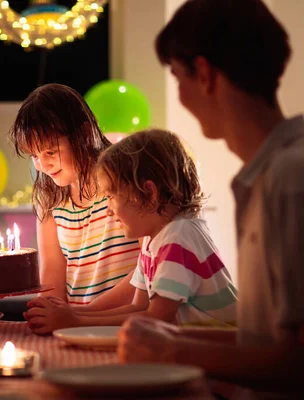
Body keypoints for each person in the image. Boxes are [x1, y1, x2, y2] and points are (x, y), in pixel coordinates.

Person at [117, 0, 304, 393]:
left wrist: (173, 352)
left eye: (177, 77)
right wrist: (173, 341)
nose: (181, 95)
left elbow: (294, 361)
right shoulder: (263, 176)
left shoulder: (291, 178)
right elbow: (263, 342)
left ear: (204, 75)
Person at [24, 129, 237, 334]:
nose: (107, 211)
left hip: (222, 351)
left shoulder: (177, 238)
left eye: (111, 197)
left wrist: (76, 321)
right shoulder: (153, 241)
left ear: (148, 193)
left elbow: (157, 319)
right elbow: (138, 308)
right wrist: (73, 313)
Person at [7, 83, 141, 333]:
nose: (42, 165)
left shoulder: (125, 181)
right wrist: (47, 313)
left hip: (124, 324)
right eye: (34, 156)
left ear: (84, 134)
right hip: (76, 327)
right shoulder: (50, 201)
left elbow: (147, 269)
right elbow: (52, 279)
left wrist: (82, 314)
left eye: (50, 151)